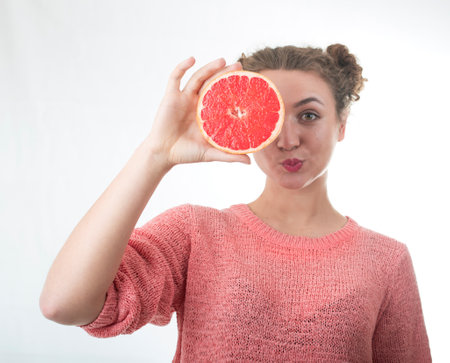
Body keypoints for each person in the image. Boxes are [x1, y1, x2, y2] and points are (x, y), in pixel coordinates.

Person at [40, 44, 432, 362]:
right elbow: (64, 304)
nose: (288, 139)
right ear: (244, 121)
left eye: (309, 115)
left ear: (342, 124)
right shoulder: (195, 233)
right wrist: (156, 153)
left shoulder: (387, 260)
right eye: (272, 117)